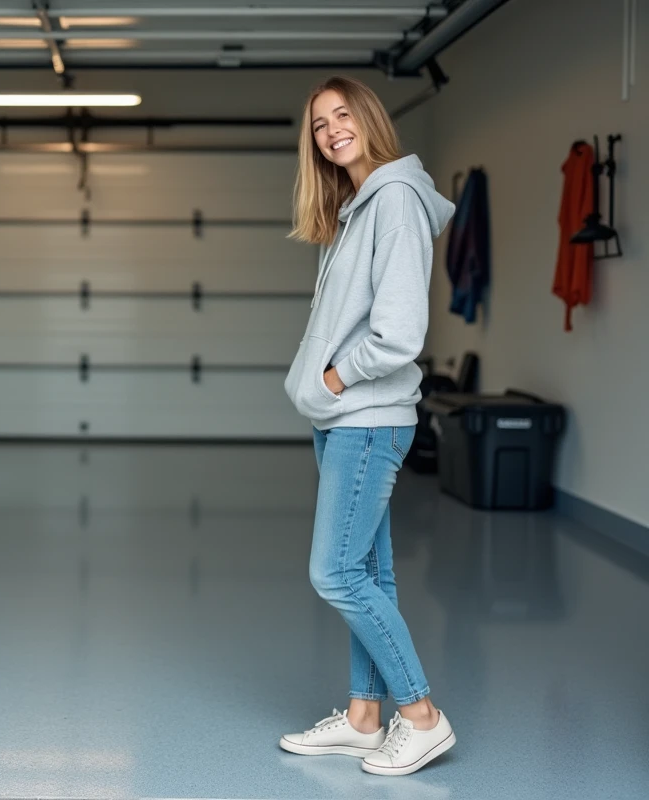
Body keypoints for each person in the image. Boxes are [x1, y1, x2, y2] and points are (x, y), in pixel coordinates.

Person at [277, 75, 457, 777]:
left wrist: (332, 379)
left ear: (370, 118)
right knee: (369, 573)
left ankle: (422, 715)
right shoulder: (356, 207)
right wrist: (324, 394)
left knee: (335, 573)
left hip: (367, 418)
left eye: (342, 115)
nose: (331, 131)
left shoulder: (397, 201)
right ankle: (363, 718)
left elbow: (399, 333)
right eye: (319, 124)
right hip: (342, 418)